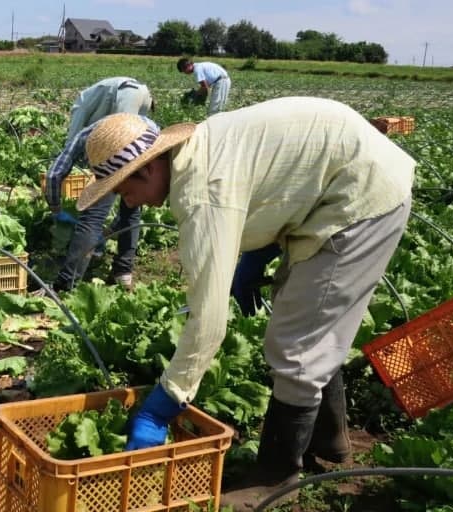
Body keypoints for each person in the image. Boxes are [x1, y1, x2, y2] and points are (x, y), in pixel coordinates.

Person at [74, 97, 415, 510]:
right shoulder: (199, 150)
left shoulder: (201, 193)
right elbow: (273, 178)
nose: (129, 203)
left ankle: (276, 475)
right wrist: (256, 257)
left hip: (361, 195)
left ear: (148, 166)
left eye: (127, 189)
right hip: (337, 182)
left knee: (297, 345)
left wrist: (163, 405)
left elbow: (209, 322)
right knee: (311, 319)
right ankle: (330, 441)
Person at [44, 77, 153, 291]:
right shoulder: (142, 127)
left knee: (92, 216)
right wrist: (110, 230)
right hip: (143, 96)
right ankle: (124, 271)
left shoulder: (83, 130)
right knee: (131, 206)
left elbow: (55, 173)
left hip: (127, 97)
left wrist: (55, 209)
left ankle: (67, 284)